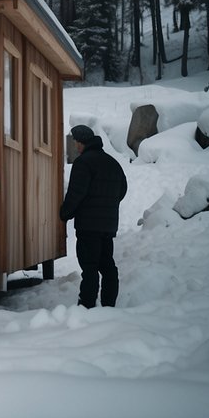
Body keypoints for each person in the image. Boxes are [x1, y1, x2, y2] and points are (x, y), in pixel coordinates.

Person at [60, 124, 128, 308]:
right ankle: (109, 303)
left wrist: (64, 214)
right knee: (107, 265)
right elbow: (122, 190)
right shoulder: (112, 162)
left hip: (88, 225)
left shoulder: (83, 163)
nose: (75, 146)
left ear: (81, 142)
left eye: (76, 142)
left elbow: (76, 193)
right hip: (108, 225)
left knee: (89, 266)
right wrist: (108, 206)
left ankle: (87, 304)